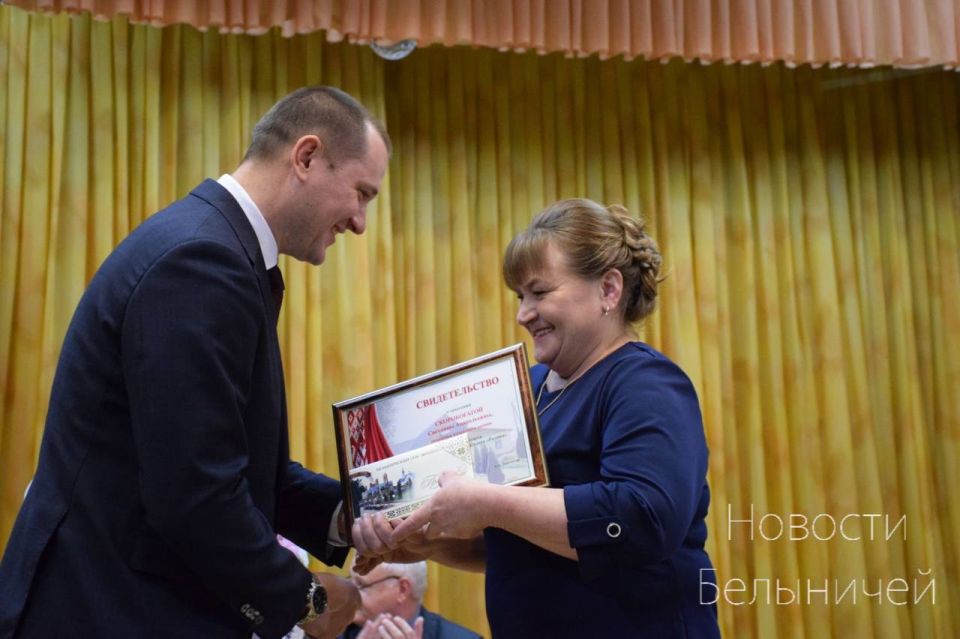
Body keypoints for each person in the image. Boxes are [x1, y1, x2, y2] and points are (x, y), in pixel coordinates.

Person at [0, 86, 390, 639]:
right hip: (107, 610)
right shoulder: (201, 261)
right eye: (361, 193)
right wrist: (305, 599)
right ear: (305, 157)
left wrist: (348, 516)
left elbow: (241, 469)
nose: (360, 221)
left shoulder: (215, 248)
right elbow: (195, 493)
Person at [352, 199, 721, 637]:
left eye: (540, 292)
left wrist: (486, 503)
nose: (522, 314)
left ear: (609, 290)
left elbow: (643, 518)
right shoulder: (530, 388)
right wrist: (432, 544)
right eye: (520, 296)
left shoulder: (644, 381)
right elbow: (526, 542)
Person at [338, 561, 482, 639]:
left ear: (403, 589)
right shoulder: (331, 633)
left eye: (361, 585)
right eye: (350, 582)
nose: (351, 594)